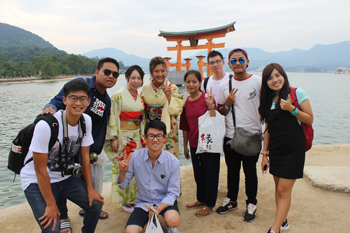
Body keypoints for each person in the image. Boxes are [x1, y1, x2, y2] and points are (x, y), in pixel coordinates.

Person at [42, 57, 119, 227]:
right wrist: (50, 107)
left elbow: (101, 126)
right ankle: (63, 217)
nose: (111, 76)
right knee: (61, 175)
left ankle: (88, 206)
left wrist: (96, 150)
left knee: (83, 178)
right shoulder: (81, 84)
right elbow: (58, 100)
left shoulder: (106, 100)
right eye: (107, 72)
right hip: (66, 145)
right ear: (97, 72)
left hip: (86, 149)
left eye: (115, 74)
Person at [21, 79, 104, 233]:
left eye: (83, 99)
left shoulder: (86, 121)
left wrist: (90, 188)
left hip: (64, 176)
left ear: (89, 101)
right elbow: (39, 169)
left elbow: (85, 157)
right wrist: (51, 204)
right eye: (73, 98)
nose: (78, 103)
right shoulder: (46, 126)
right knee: (52, 227)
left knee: (96, 205)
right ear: (64, 100)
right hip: (36, 179)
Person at [259, 63, 313, 233]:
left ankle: (275, 229)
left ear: (283, 75)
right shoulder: (269, 101)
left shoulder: (297, 93)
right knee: (278, 188)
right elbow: (267, 130)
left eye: (277, 75)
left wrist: (292, 109)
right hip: (276, 150)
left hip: (293, 151)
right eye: (269, 78)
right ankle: (283, 221)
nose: (274, 80)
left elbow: (309, 119)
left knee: (283, 189)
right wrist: (265, 154)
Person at [216, 49, 262, 222]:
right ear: (229, 65)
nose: (237, 63)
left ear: (247, 62)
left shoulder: (258, 82)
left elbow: (266, 105)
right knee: (232, 171)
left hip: (251, 136)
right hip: (231, 136)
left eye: (241, 59)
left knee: (250, 172)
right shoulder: (224, 85)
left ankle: (251, 203)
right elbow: (221, 110)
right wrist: (226, 104)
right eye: (233, 61)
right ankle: (232, 200)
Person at [118, 121, 181, 233]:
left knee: (173, 220)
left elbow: (173, 193)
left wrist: (158, 209)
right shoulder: (135, 157)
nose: (155, 140)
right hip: (144, 203)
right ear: (145, 138)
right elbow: (123, 185)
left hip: (164, 201)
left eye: (159, 136)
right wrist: (122, 172)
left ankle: (167, 224)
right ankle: (148, 222)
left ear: (165, 138)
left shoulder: (173, 162)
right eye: (151, 136)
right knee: (130, 231)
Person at [104, 65, 147, 213]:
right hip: (123, 137)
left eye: (139, 78)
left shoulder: (139, 96)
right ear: (127, 78)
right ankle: (125, 201)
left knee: (137, 167)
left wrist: (139, 119)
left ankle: (135, 198)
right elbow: (112, 116)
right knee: (124, 167)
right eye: (133, 77)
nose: (136, 81)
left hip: (136, 135)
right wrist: (113, 138)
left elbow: (140, 114)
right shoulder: (118, 95)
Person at [180, 70, 220, 217]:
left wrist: (211, 106)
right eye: (188, 81)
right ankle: (201, 200)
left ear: (199, 82)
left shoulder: (207, 98)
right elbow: (184, 126)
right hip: (194, 143)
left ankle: (210, 205)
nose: (191, 84)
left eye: (194, 81)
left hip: (209, 142)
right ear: (185, 83)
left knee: (211, 173)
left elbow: (215, 119)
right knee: (199, 174)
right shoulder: (186, 102)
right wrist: (185, 145)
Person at [141, 56, 185, 159]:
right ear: (151, 72)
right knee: (151, 157)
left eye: (163, 71)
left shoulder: (173, 88)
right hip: (150, 128)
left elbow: (178, 108)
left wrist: (169, 96)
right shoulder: (146, 88)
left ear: (166, 71)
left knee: (168, 158)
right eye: (156, 71)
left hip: (168, 128)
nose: (160, 74)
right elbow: (141, 107)